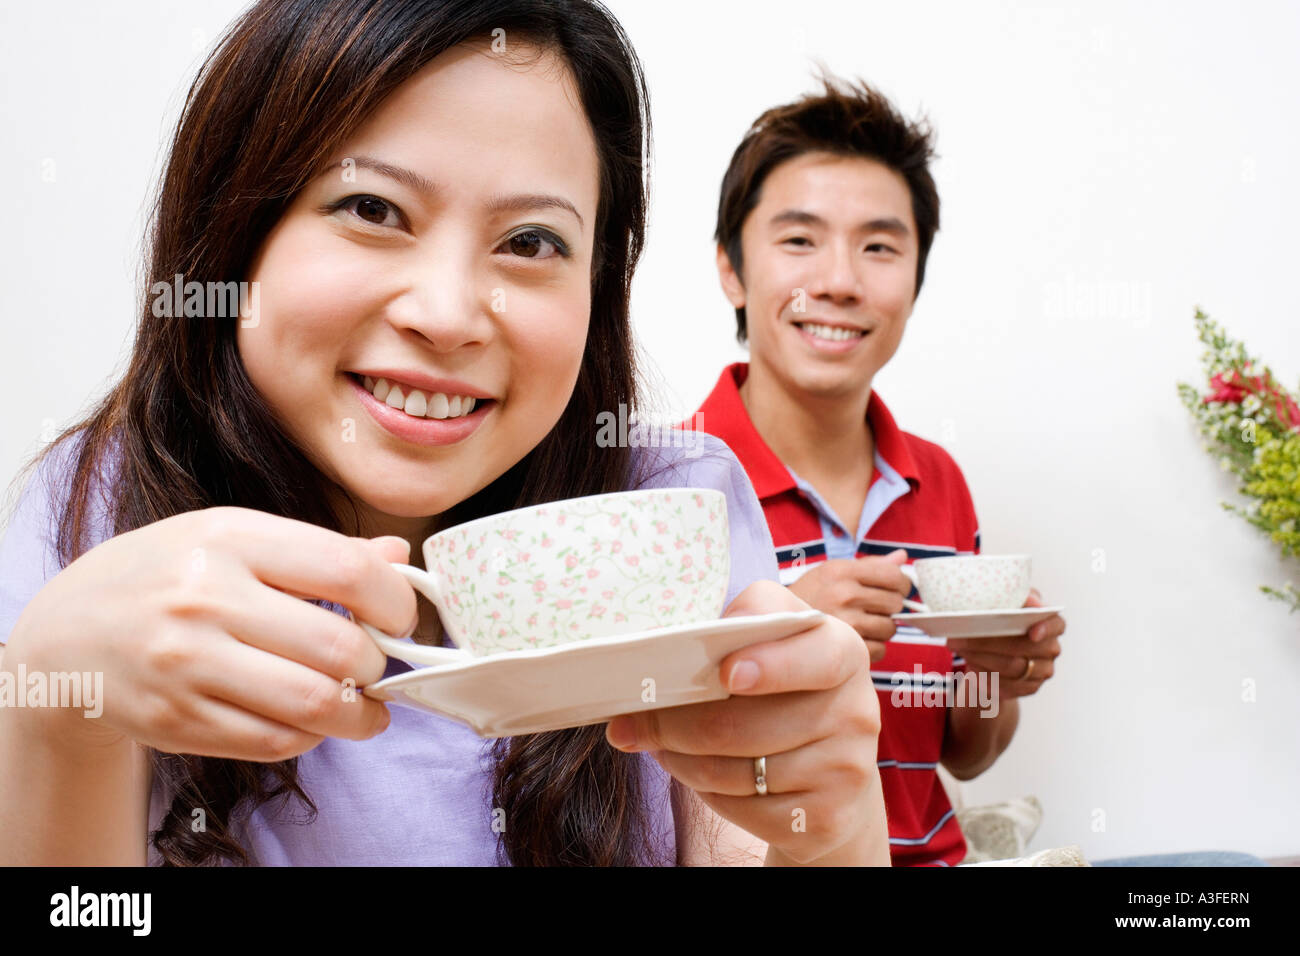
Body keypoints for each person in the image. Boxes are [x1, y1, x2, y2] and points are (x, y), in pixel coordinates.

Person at [0, 0, 890, 867]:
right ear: (233, 234)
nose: (451, 315)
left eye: (533, 241)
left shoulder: (669, 507)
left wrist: (836, 826)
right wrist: (56, 723)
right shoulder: (93, 513)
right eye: (373, 210)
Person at [688, 75, 1067, 866]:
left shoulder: (939, 480)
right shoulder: (667, 481)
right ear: (731, 268)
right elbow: (616, 741)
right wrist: (778, 627)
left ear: (915, 281)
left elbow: (967, 756)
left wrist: (994, 671)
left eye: (881, 247)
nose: (839, 281)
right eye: (798, 240)